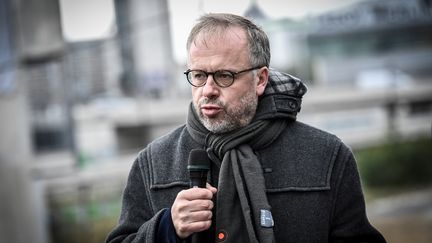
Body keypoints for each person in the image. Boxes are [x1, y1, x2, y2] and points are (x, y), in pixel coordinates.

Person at [106, 13, 386, 243]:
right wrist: (166, 229)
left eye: (224, 76)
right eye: (199, 75)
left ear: (260, 79)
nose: (208, 90)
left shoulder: (327, 155)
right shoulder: (153, 162)